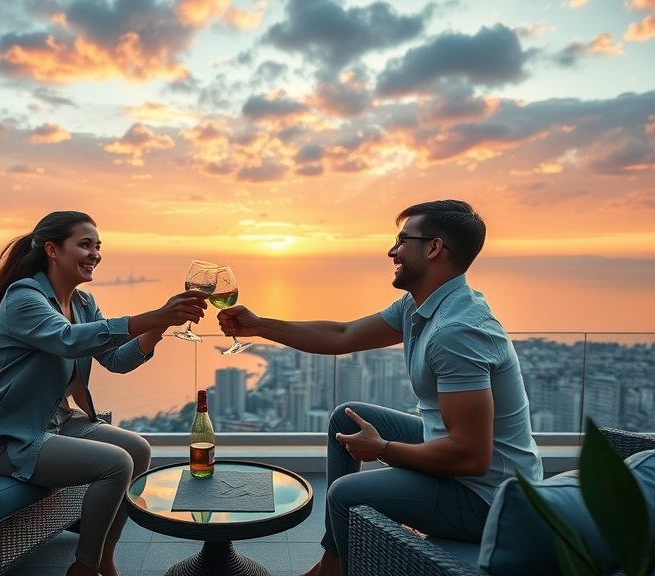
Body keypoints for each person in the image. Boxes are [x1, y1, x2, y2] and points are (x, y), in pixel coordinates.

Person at [217, 200, 542, 576]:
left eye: (403, 240)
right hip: (463, 468)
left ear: (434, 248)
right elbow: (342, 335)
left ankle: (338, 572)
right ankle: (331, 566)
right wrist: (259, 326)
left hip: (490, 501)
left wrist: (383, 449)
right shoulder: (419, 306)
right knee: (346, 418)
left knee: (345, 495)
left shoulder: (457, 331)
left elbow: (471, 458)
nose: (392, 251)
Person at [0, 211, 208, 576]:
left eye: (98, 246)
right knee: (116, 464)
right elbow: (68, 340)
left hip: (57, 423)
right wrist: (156, 314)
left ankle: (105, 558)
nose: (95, 254)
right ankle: (85, 567)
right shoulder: (23, 297)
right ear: (52, 250)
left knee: (138, 449)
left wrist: (161, 324)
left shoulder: (82, 304)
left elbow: (116, 360)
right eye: (84, 244)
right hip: (6, 435)